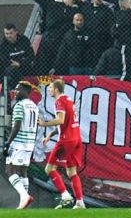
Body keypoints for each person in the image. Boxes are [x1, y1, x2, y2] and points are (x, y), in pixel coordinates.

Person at [37, 79, 85, 209]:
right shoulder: (69, 100)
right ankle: (80, 202)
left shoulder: (59, 101)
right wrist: (50, 135)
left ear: (56, 89)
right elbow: (66, 123)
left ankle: (65, 195)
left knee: (49, 169)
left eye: (50, 88)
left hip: (66, 140)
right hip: (76, 138)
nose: (48, 90)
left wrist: (44, 124)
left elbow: (60, 120)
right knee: (72, 172)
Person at [4, 81, 38, 209]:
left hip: (18, 143)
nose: (15, 92)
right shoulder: (34, 105)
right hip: (29, 143)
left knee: (9, 170)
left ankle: (24, 196)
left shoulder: (19, 105)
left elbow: (17, 125)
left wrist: (8, 143)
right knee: (23, 172)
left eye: (18, 89)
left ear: (25, 91)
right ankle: (24, 202)